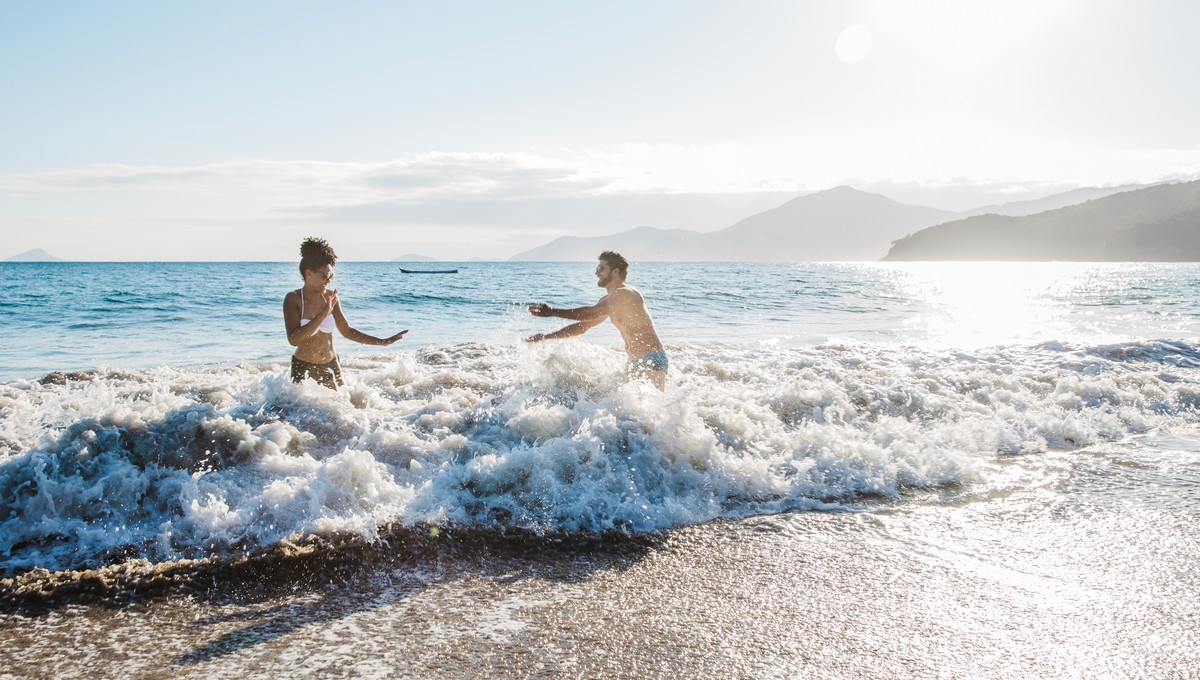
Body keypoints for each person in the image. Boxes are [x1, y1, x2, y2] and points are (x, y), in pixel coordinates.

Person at [525, 250, 668, 390]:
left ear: (615, 272)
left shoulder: (625, 293)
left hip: (652, 359)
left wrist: (552, 312)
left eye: (601, 268)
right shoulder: (607, 299)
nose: (596, 273)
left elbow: (592, 313)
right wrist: (546, 337)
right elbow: (583, 326)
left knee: (649, 411)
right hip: (633, 361)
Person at [283, 237, 408, 389]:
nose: (329, 279)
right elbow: (294, 339)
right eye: (324, 275)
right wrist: (323, 314)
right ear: (309, 274)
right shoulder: (293, 299)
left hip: (331, 364)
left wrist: (382, 342)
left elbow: (347, 331)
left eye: (331, 275)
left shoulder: (331, 297)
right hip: (303, 368)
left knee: (344, 409)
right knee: (293, 412)